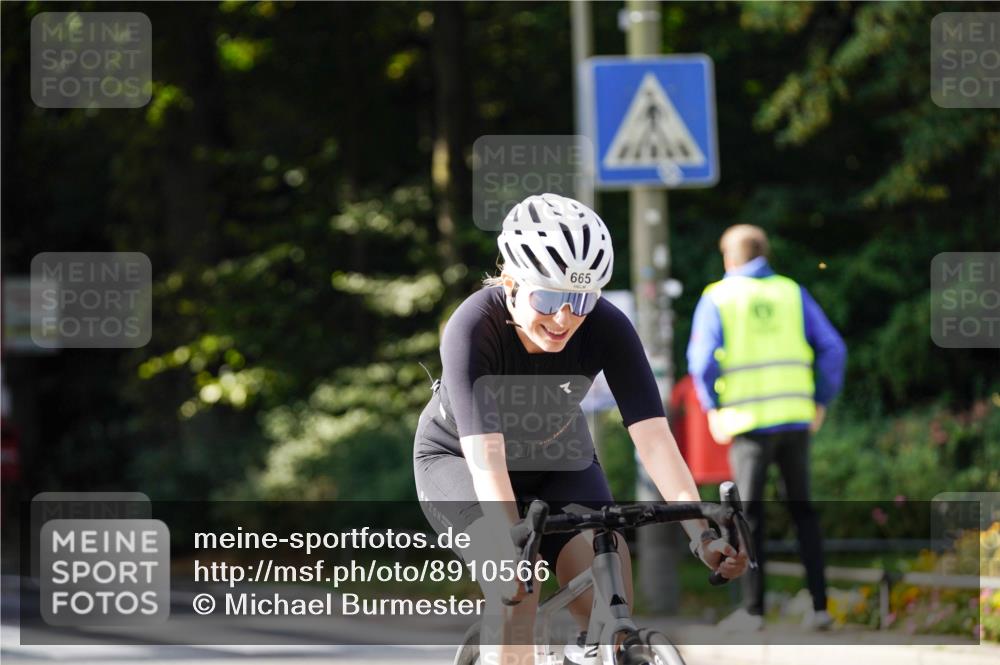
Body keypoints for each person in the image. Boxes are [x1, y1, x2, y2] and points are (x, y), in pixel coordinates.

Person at [414, 193, 748, 665]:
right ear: (510, 282)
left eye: (581, 298)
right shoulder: (473, 327)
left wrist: (699, 534)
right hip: (461, 462)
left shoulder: (607, 326)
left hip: (558, 457)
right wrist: (512, 549)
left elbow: (654, 438)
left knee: (610, 604)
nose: (564, 316)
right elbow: (486, 456)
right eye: (548, 297)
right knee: (518, 594)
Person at [686, 224, 846, 632]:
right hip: (795, 420)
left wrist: (713, 408)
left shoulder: (717, 297)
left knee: (748, 516)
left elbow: (702, 362)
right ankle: (820, 607)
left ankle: (753, 612)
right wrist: (820, 402)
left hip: (749, 425)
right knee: (804, 513)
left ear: (728, 258)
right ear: (764, 253)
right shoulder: (792, 291)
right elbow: (833, 348)